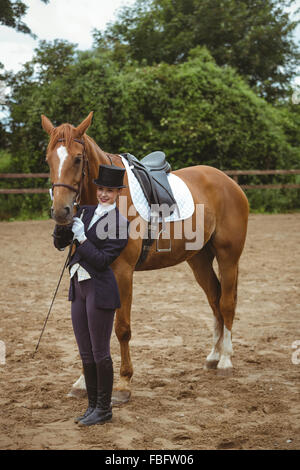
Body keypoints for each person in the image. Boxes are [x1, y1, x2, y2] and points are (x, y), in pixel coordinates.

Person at [52, 164, 129, 426]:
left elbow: (101, 261)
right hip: (78, 288)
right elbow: (60, 244)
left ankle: (104, 409)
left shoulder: (120, 223)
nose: (104, 194)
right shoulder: (83, 211)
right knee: (85, 353)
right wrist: (62, 222)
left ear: (118, 193)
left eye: (110, 190)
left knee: (99, 352)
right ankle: (92, 406)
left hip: (100, 289)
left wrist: (83, 239)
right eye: (101, 189)